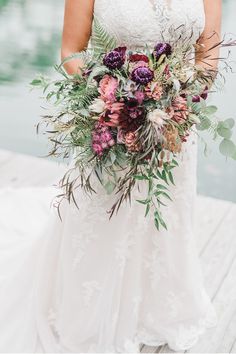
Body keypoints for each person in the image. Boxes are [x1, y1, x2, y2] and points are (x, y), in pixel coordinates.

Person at [0, 0, 222, 352]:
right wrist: (110, 99)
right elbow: (71, 50)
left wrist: (182, 100)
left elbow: (208, 53)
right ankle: (86, 313)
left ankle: (154, 308)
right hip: (111, 123)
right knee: (102, 214)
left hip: (174, 128)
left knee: (164, 217)